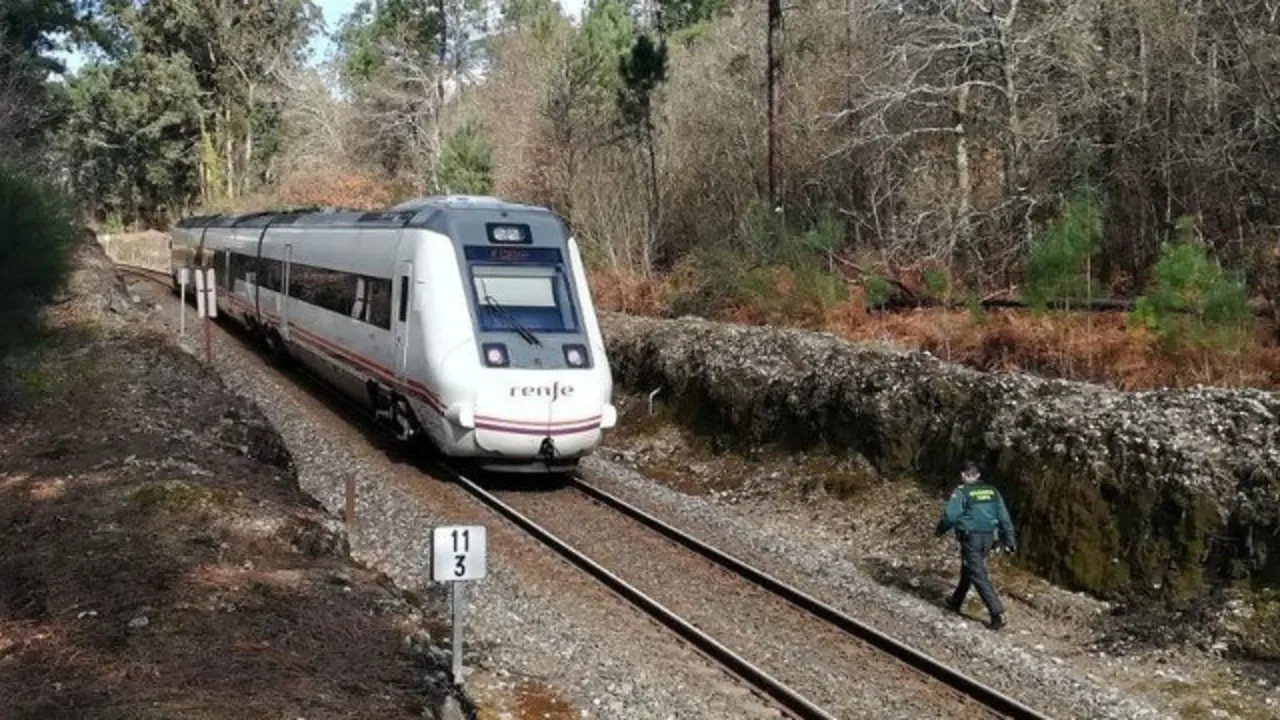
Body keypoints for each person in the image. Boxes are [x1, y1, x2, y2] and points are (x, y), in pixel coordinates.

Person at [935, 460, 1017, 630]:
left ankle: (997, 612)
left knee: (977, 573)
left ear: (963, 475)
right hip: (988, 538)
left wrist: (940, 530)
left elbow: (951, 517)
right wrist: (1010, 541)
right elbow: (1004, 517)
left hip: (971, 537)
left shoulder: (962, 492)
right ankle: (956, 600)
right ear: (978, 475)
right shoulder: (992, 491)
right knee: (970, 568)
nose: (965, 477)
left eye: (966, 474)